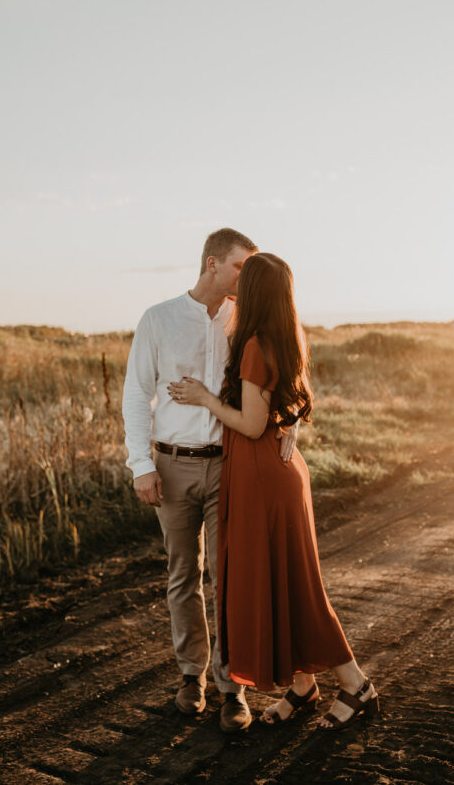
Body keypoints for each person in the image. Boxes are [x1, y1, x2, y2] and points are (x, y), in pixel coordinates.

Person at [168, 252, 380, 731]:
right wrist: (290, 425)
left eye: (246, 280)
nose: (237, 285)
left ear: (256, 292)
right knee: (283, 583)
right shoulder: (286, 337)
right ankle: (303, 687)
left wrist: (204, 398)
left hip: (264, 476)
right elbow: (289, 408)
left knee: (298, 589)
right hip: (276, 474)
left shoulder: (256, 346)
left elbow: (250, 422)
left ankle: (356, 684)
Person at [122, 229, 298, 734]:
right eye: (243, 266)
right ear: (213, 262)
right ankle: (190, 676)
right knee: (183, 577)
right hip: (171, 465)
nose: (249, 277)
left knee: (230, 578)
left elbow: (280, 376)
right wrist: (141, 464)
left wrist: (292, 424)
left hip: (231, 466)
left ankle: (232, 685)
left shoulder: (248, 321)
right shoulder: (158, 319)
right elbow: (137, 396)